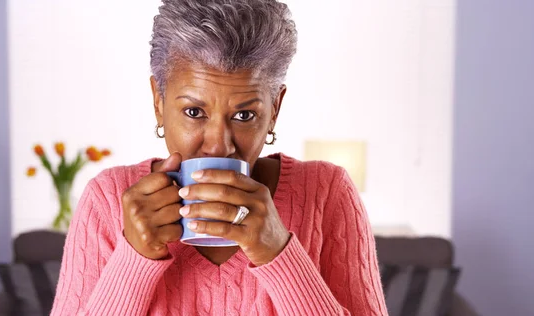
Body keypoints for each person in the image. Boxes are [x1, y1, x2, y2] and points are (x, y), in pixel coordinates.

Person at [51, 0, 388, 315]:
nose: (218, 147)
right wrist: (133, 259)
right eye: (194, 111)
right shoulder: (108, 199)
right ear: (158, 103)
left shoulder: (326, 192)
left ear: (274, 110)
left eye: (244, 116)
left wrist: (278, 251)